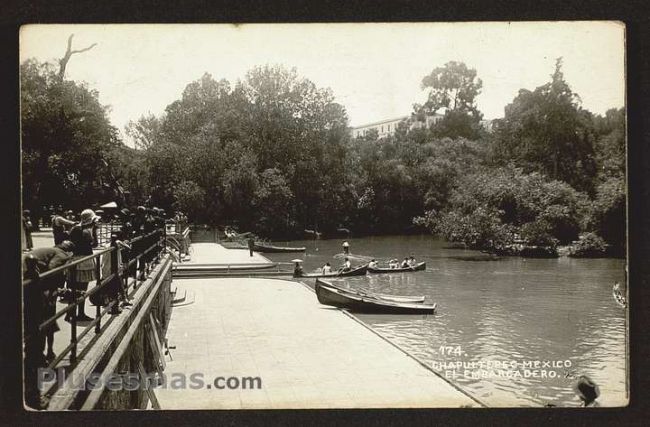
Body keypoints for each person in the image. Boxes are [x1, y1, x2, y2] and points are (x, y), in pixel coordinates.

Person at [23, 240, 75, 363]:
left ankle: (36, 354)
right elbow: (51, 270)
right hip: (35, 285)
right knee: (44, 320)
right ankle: (40, 355)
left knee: (33, 320)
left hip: (27, 278)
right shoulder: (62, 255)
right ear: (70, 252)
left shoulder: (50, 250)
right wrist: (54, 291)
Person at [68, 209, 100, 322]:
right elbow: (95, 244)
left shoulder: (75, 228)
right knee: (81, 289)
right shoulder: (85, 231)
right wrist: (95, 231)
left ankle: (70, 313)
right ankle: (80, 313)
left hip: (75, 260)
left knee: (73, 288)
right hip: (83, 261)